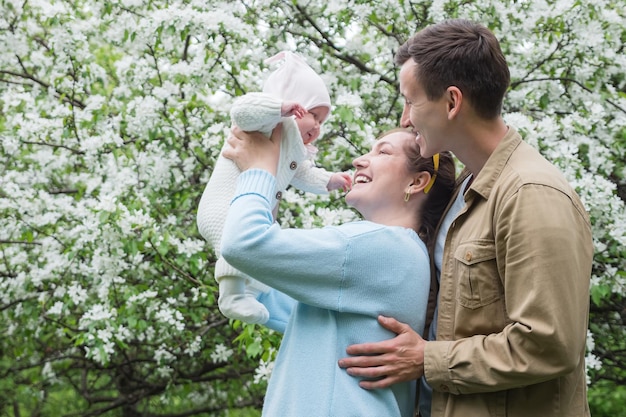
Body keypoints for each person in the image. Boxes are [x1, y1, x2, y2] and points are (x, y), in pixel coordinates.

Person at [337, 18, 594, 417]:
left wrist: (428, 360)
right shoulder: (465, 190)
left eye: (411, 101)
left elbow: (548, 344)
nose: (406, 119)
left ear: (452, 102)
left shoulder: (531, 194)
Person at [219, 126, 455, 417]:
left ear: (416, 182)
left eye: (383, 151)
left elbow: (243, 243)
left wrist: (260, 170)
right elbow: (270, 299)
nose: (359, 160)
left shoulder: (379, 246)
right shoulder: (400, 254)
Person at [196, 51, 351, 324]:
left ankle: (251, 293)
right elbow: (242, 111)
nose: (316, 126)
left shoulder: (292, 148)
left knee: (259, 245)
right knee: (237, 239)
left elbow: (302, 173)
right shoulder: (268, 124)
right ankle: (231, 295)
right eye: (313, 114)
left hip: (250, 206)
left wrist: (329, 181)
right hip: (222, 206)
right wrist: (278, 108)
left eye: (321, 122)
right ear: (293, 104)